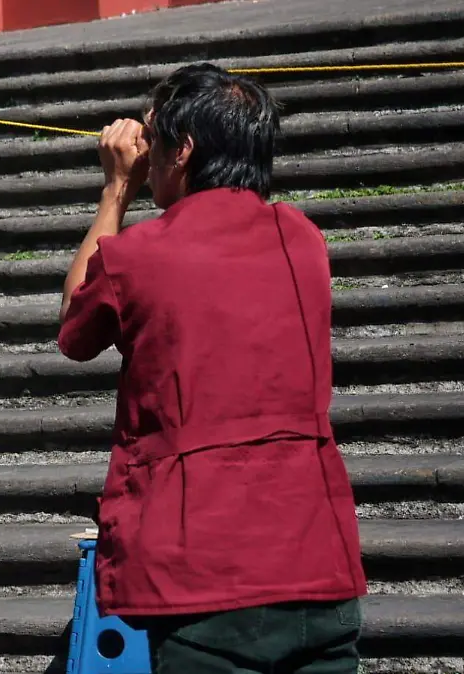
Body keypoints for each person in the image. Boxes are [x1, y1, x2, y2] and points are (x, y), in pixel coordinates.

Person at [57, 63, 367, 673]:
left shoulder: (138, 256)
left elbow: (74, 327)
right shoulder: (301, 238)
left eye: (154, 139)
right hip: (315, 557)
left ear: (184, 150)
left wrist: (117, 188)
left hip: (203, 573)